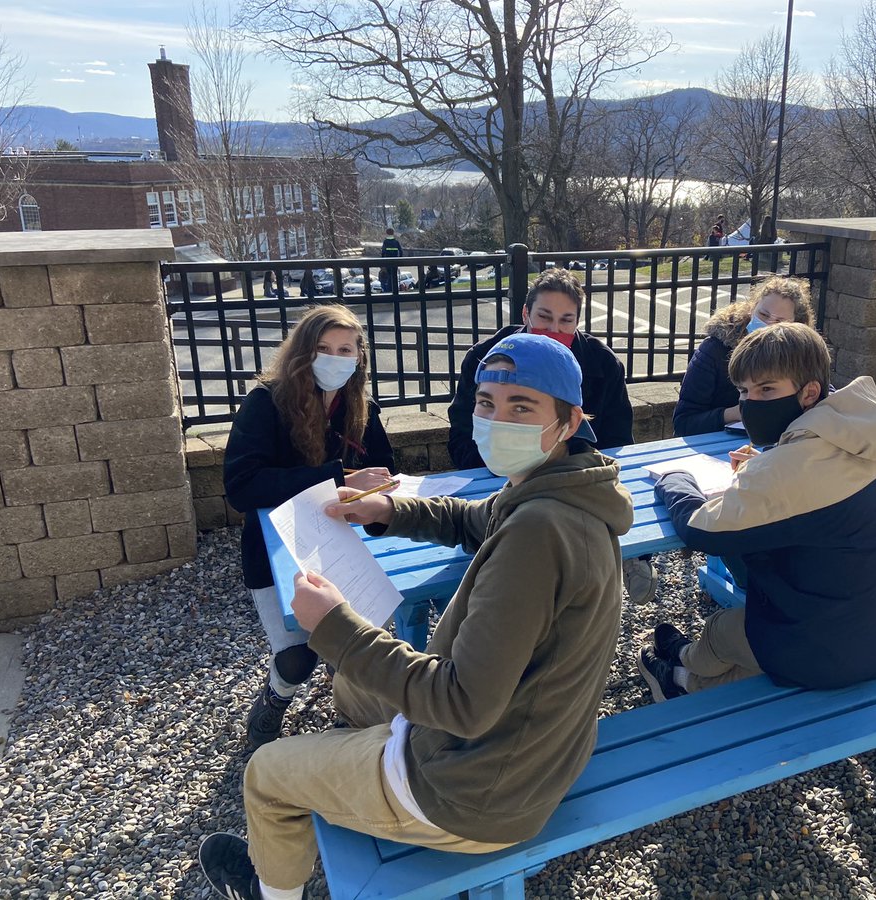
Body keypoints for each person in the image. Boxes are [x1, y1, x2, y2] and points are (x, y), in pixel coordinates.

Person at [199, 333, 634, 900]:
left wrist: (331, 626)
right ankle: (354, 775)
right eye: (486, 402)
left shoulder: (537, 535)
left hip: (475, 793)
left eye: (521, 406)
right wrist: (388, 509)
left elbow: (462, 705)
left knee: (266, 774)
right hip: (535, 752)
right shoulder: (565, 491)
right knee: (353, 683)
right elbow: (475, 518)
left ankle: (271, 891)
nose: (497, 419)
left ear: (570, 421)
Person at [638, 321, 876, 703]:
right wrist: (766, 467)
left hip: (824, 652)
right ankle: (688, 675)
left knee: (723, 628)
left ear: (809, 393)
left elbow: (702, 530)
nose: (751, 402)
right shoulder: (860, 434)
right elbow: (810, 486)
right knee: (751, 656)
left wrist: (676, 479)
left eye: (767, 389)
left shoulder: (791, 466)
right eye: (744, 391)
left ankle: (681, 665)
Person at [224, 305, 396, 750]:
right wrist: (337, 480)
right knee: (297, 656)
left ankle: (357, 717)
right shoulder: (266, 402)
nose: (334, 358)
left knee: (357, 642)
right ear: (303, 352)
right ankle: (273, 701)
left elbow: (384, 472)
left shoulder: (361, 407)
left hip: (344, 544)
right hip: (276, 547)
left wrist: (380, 504)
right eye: (322, 348)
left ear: (359, 357)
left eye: (345, 349)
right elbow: (242, 487)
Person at [446, 269, 654, 603]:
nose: (554, 330)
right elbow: (461, 435)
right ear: (525, 314)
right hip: (504, 478)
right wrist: (504, 458)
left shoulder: (603, 365)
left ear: (577, 323)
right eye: (544, 318)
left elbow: (617, 443)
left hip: (575, 480)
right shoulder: (486, 358)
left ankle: (624, 556)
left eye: (565, 321)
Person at [673, 275, 813, 437]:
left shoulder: (802, 353)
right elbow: (683, 423)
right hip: (717, 448)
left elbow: (823, 394)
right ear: (752, 308)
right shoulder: (715, 350)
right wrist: (737, 413)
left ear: (796, 326)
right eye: (763, 315)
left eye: (779, 322)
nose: (768, 325)